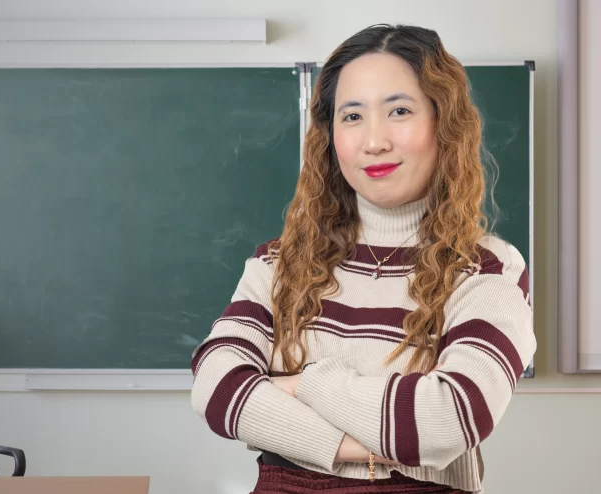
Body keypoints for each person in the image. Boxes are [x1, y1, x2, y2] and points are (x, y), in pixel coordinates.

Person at [190, 23, 536, 494]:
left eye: (399, 110)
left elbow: (452, 418)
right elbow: (215, 386)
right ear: (329, 136)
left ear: (444, 124)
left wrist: (298, 385)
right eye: (352, 116)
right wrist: (358, 448)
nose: (374, 141)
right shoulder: (278, 263)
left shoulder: (487, 268)